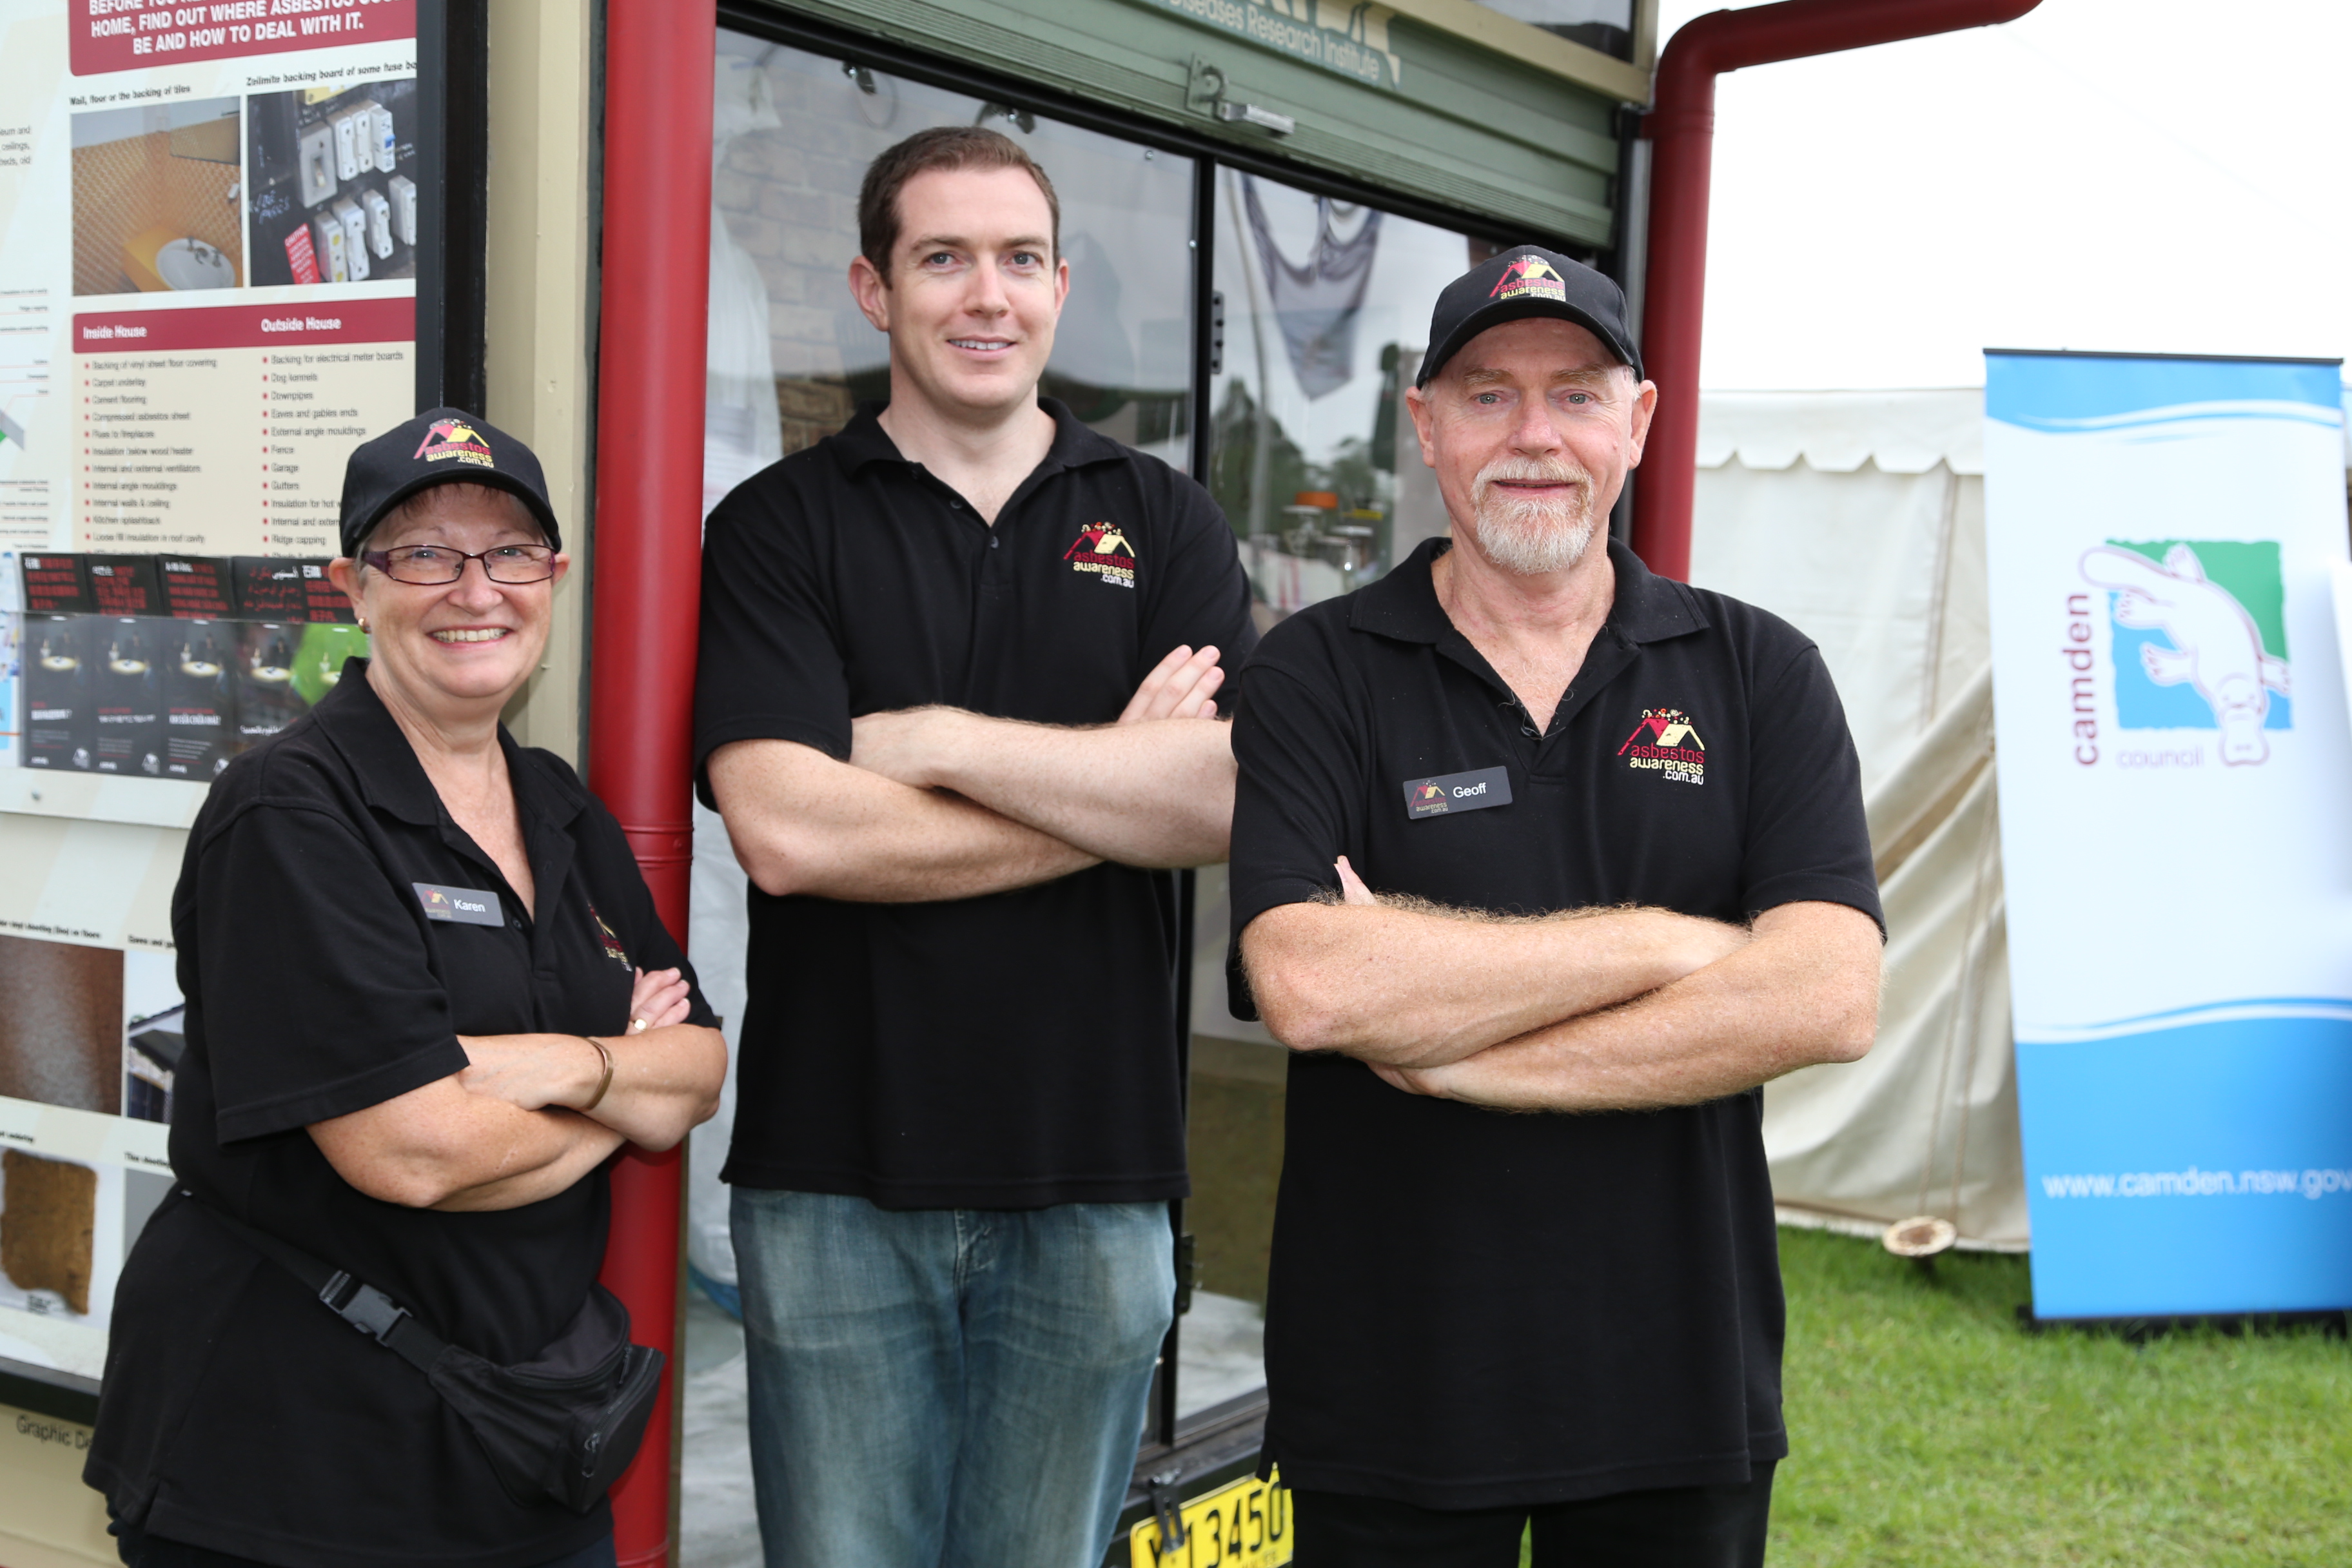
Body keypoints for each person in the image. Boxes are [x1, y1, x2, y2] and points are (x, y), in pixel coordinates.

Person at [1228, 248, 1885, 1567]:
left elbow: (1826, 995)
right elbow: (1311, 982)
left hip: (1675, 1387)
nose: (1535, 435)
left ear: (1636, 423)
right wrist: (1665, 943)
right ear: (1426, 426)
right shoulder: (1317, 671)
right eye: (1489, 395)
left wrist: (1458, 1054)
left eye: (1576, 394)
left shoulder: (1758, 671)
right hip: (1390, 1387)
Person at [694, 126, 1255, 1568]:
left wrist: (933, 741)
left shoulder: (1164, 520)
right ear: (874, 289)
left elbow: (1220, 804)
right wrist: (1108, 782)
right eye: (943, 257)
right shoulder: (776, 529)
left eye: (1019, 259)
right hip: (833, 1179)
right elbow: (789, 832)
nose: (986, 294)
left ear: (1061, 287)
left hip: (1095, 1177)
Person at [83, 409, 729, 1568]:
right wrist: (619, 1083)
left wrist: (533, 1070)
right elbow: (415, 1152)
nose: (476, 590)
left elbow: (700, 1070)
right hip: (291, 1469)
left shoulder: (558, 805)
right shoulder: (290, 810)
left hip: (522, 1446)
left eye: (509, 553)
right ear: (354, 587)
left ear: (553, 578)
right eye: (425, 553)